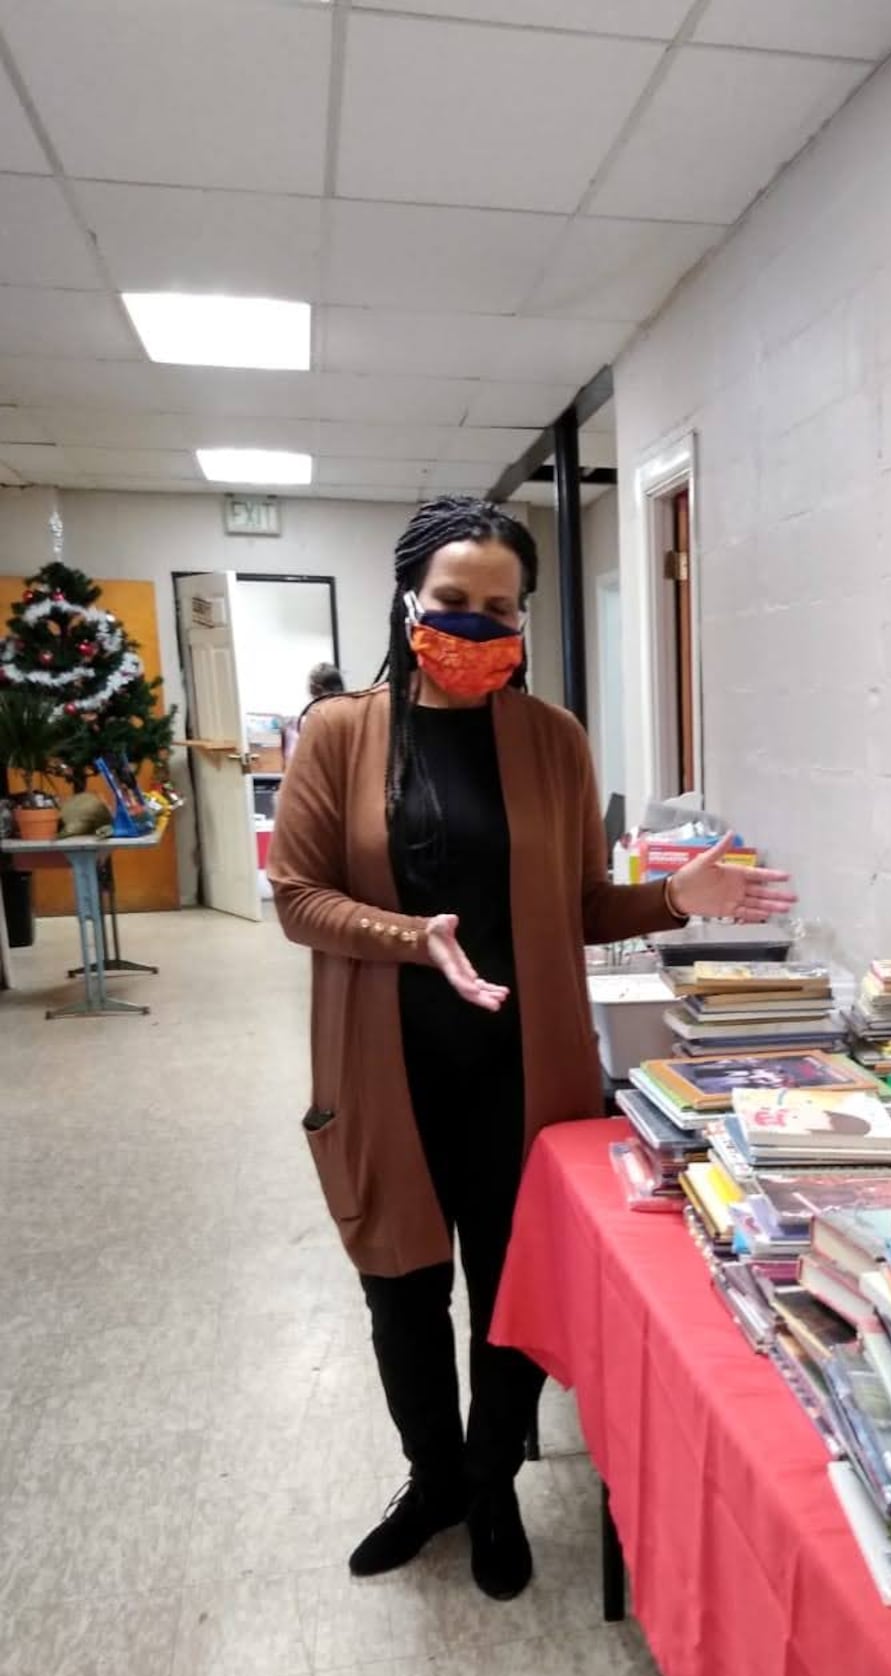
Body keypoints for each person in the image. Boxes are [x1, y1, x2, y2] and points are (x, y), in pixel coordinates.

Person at [269, 496, 794, 1599]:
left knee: (510, 1291)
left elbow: (575, 907)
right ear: (409, 599)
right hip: (388, 1071)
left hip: (521, 1080)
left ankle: (493, 1476)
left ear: (523, 615)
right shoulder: (339, 733)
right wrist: (415, 938)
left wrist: (671, 899)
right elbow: (299, 898)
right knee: (402, 1292)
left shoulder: (551, 740)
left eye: (498, 608)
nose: (473, 626)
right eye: (451, 603)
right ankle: (432, 1482)